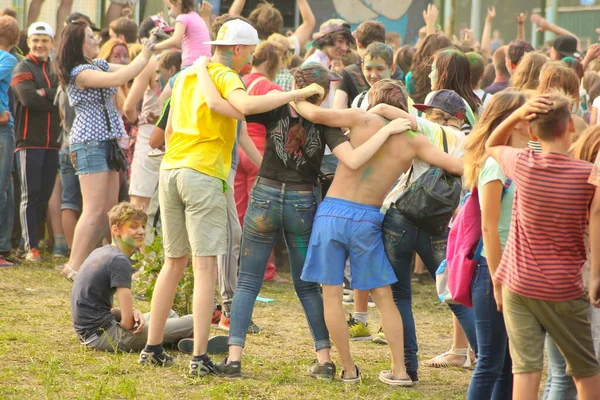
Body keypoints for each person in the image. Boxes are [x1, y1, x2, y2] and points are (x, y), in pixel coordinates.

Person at [138, 19, 324, 376]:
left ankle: (152, 347)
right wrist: (294, 95)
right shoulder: (223, 76)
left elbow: (175, 128)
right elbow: (246, 105)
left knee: (173, 263)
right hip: (203, 173)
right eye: (248, 53)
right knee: (205, 266)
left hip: (172, 171)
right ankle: (199, 358)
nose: (249, 61)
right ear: (237, 49)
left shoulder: (187, 77)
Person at [211, 62, 413, 380]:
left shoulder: (274, 108)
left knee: (248, 281)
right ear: (326, 91)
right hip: (302, 201)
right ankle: (325, 359)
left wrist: (202, 74)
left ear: (296, 83)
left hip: (264, 194)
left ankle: (234, 359)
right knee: (308, 287)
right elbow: (354, 159)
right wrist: (387, 127)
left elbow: (225, 110)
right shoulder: (328, 123)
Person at [298, 79, 463, 384]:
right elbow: (458, 166)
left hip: (332, 212)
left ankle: (348, 369)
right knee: (384, 299)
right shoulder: (414, 141)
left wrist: (299, 92)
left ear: (373, 100)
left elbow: (313, 113)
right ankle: (399, 370)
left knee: (331, 295)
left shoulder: (359, 118)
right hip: (367, 219)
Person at [486, 91, 600, 400]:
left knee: (525, 371)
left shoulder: (523, 163)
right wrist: (595, 277)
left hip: (517, 284)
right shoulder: (587, 175)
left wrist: (516, 114)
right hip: (564, 288)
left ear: (533, 131)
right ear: (571, 128)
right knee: (586, 372)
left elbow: (492, 144)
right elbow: (597, 218)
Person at [371, 90, 475, 382]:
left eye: (430, 110)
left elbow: (382, 108)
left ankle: (407, 368)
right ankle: (487, 362)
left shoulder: (429, 128)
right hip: (438, 224)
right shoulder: (471, 142)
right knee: (454, 293)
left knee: (401, 295)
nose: (425, 114)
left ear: (444, 116)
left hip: (402, 217)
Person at [54, 21, 155, 281]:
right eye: (90, 37)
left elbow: (131, 71)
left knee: (110, 209)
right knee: (94, 209)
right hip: (88, 142)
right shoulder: (78, 72)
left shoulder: (95, 64)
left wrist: (156, 48)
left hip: (108, 141)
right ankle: (73, 267)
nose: (96, 41)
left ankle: (99, 263)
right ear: (78, 43)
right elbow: (118, 78)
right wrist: (144, 54)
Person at [463, 92, 531, 399]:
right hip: (491, 270)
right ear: (514, 124)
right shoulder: (495, 165)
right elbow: (489, 226)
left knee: (509, 364)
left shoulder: (520, 160)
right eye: (529, 117)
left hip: (514, 270)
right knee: (490, 362)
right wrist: (497, 279)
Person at [70, 202, 195, 352]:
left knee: (167, 313)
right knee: (196, 320)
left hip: (89, 334)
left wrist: (132, 312)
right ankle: (183, 337)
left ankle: (178, 338)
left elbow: (97, 308)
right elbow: (127, 325)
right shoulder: (119, 260)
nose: (141, 231)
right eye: (133, 226)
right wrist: (130, 316)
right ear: (116, 230)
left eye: (142, 226)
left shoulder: (102, 251)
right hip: (105, 336)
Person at [234, 41, 286, 283]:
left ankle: (235, 267)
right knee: (263, 215)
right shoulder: (271, 87)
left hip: (237, 149)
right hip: (260, 152)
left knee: (239, 213)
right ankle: (265, 272)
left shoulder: (239, 82)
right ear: (270, 63)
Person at [11, 22, 61, 262]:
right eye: (35, 40)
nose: (40, 45)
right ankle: (30, 247)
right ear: (28, 43)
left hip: (53, 142)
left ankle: (32, 242)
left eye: (44, 40)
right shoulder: (23, 66)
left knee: (43, 194)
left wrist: (46, 93)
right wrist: (52, 96)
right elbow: (28, 99)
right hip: (28, 140)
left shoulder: (55, 69)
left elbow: (65, 97)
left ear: (52, 43)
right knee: (29, 195)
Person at [229, 0, 316, 57]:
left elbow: (232, 16)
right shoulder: (288, 46)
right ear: (280, 24)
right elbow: (309, 22)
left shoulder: (250, 45)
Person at [0, 15, 19, 267]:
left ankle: (4, 247)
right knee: (2, 187)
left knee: (9, 188)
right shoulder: (9, 58)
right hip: (3, 129)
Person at [334, 20, 386, 109]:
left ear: (358, 43)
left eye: (380, 69)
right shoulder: (396, 71)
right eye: (368, 69)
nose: (373, 75)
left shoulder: (348, 72)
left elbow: (338, 110)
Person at [151, 0, 211, 68]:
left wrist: (154, 47)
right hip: (205, 63)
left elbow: (176, 41)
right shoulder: (196, 17)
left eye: (169, 8)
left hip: (191, 64)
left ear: (179, 2)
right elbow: (181, 44)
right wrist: (164, 36)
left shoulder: (182, 18)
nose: (169, 13)